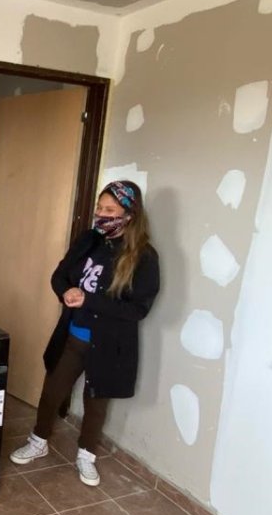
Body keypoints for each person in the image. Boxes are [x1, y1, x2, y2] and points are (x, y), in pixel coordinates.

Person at [9, 180, 160, 485]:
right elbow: (60, 275)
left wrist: (89, 299)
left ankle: (86, 455)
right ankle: (38, 441)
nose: (101, 214)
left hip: (109, 345)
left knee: (96, 404)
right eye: (99, 208)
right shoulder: (89, 240)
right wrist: (65, 291)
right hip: (74, 336)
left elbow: (137, 310)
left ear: (129, 214)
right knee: (52, 392)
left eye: (110, 210)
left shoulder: (144, 257)